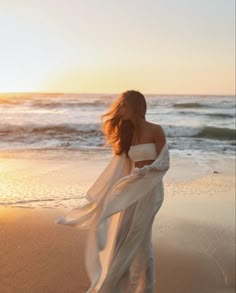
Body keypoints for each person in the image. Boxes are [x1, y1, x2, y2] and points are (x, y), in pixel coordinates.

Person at [55, 90, 170, 293]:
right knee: (121, 238)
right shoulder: (128, 135)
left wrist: (143, 172)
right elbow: (120, 168)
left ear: (136, 107)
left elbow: (163, 163)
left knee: (139, 239)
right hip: (131, 189)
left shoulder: (156, 130)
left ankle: (145, 289)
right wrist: (106, 194)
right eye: (120, 106)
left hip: (149, 191)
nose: (120, 110)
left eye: (124, 105)